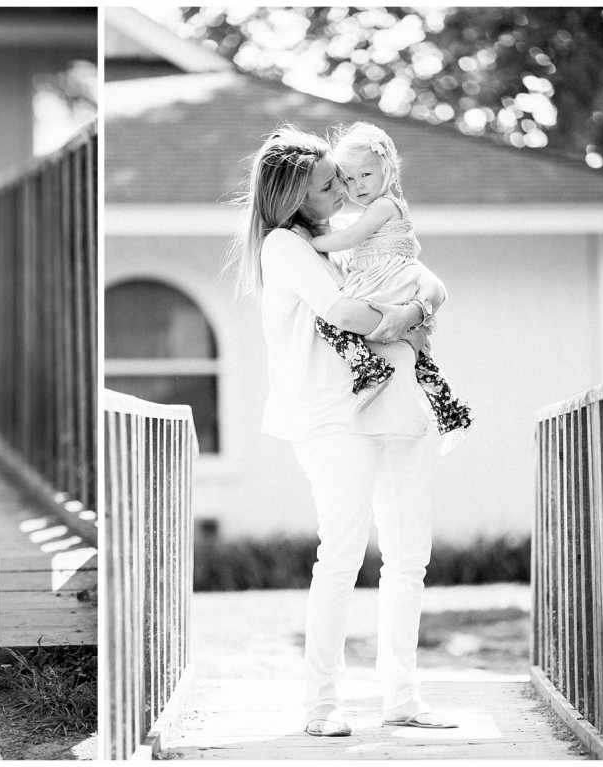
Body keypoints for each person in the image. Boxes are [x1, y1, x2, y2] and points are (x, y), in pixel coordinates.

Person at [225, 126, 458, 736]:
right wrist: (408, 316)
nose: (342, 189)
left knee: (409, 557)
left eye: (343, 178)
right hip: (331, 417)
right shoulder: (285, 247)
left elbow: (429, 280)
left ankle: (402, 697)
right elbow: (348, 314)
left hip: (397, 403)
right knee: (343, 554)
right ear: (294, 196)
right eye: (328, 183)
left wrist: (421, 305)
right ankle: (321, 706)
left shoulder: (350, 239)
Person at [309, 122, 472, 454]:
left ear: (387, 167)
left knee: (329, 321)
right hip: (387, 283)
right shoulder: (380, 207)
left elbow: (351, 238)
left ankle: (370, 368)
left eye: (365, 175)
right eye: (349, 179)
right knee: (419, 360)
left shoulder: (384, 206)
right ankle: (451, 417)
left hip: (390, 284)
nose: (357, 186)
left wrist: (311, 240)